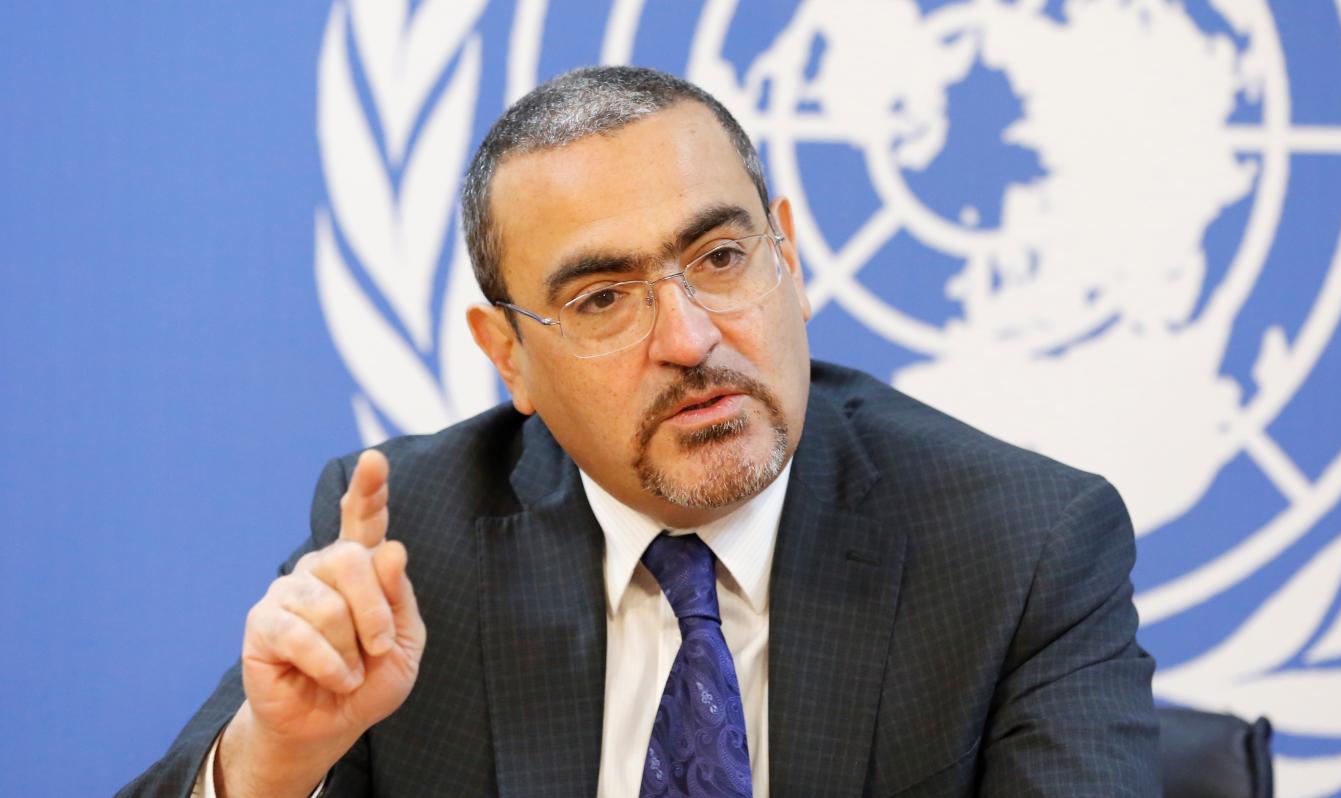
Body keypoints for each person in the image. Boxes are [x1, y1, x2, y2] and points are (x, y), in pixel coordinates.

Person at [122, 66, 1159, 797]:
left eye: (720, 258)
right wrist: (272, 762)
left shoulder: (1019, 547)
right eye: (603, 299)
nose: (691, 337)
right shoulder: (412, 545)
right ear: (508, 356)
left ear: (789, 259)